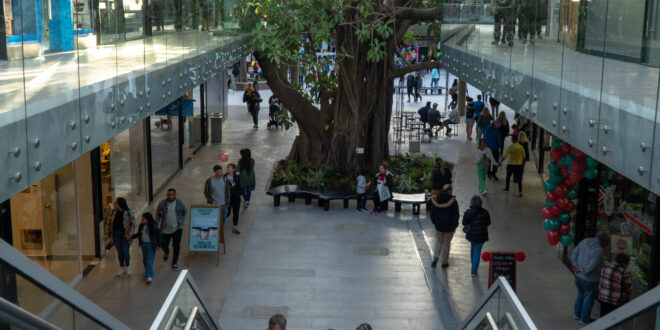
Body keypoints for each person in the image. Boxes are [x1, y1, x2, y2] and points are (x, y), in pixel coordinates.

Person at [572, 232, 611, 325]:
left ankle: (577, 314)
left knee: (580, 294)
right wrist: (582, 270)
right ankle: (584, 319)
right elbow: (591, 266)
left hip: (578, 276)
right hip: (589, 279)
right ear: (602, 240)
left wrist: (575, 266)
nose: (606, 245)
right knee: (588, 299)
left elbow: (574, 253)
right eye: (607, 242)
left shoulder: (585, 241)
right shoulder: (598, 250)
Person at [156, 188, 187, 271]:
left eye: (172, 194)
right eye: (168, 194)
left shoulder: (180, 203)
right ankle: (166, 251)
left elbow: (185, 212)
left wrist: (182, 224)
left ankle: (174, 263)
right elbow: (158, 215)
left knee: (176, 246)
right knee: (163, 244)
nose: (170, 196)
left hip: (177, 229)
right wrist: (156, 224)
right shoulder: (162, 203)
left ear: (175, 195)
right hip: (165, 230)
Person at [430, 184, 459, 269]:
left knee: (439, 241)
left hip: (439, 226)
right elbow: (456, 215)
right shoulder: (453, 201)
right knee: (446, 243)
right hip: (449, 227)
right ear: (450, 191)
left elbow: (432, 213)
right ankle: (444, 262)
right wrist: (454, 225)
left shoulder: (436, 199)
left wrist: (435, 222)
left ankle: (436, 258)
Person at [106, 197, 136, 277]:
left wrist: (129, 234)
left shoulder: (129, 212)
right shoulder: (113, 212)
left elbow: (133, 224)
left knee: (125, 252)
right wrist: (107, 235)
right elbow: (108, 224)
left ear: (120, 204)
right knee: (119, 252)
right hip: (116, 234)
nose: (114, 204)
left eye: (116, 203)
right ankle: (122, 268)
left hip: (124, 235)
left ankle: (128, 266)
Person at [462, 195, 491, 277]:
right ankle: (473, 271)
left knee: (473, 249)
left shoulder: (468, 212)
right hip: (481, 235)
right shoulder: (485, 212)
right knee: (477, 252)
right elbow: (488, 223)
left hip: (471, 234)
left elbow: (464, 223)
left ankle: (473, 264)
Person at [131, 212, 161, 284]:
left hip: (151, 245)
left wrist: (158, 245)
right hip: (144, 245)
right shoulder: (141, 226)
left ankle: (150, 276)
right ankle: (147, 272)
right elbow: (139, 234)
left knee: (149, 260)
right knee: (145, 260)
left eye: (143, 219)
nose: (142, 220)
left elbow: (159, 236)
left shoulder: (154, 227)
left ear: (148, 220)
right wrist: (131, 237)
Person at [225, 163, 243, 234]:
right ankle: (220, 225)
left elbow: (239, 187)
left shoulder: (237, 177)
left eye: (229, 167)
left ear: (234, 169)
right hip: (227, 199)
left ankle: (235, 228)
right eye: (227, 167)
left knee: (236, 213)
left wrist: (241, 196)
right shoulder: (224, 177)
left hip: (236, 198)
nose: (227, 168)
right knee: (227, 213)